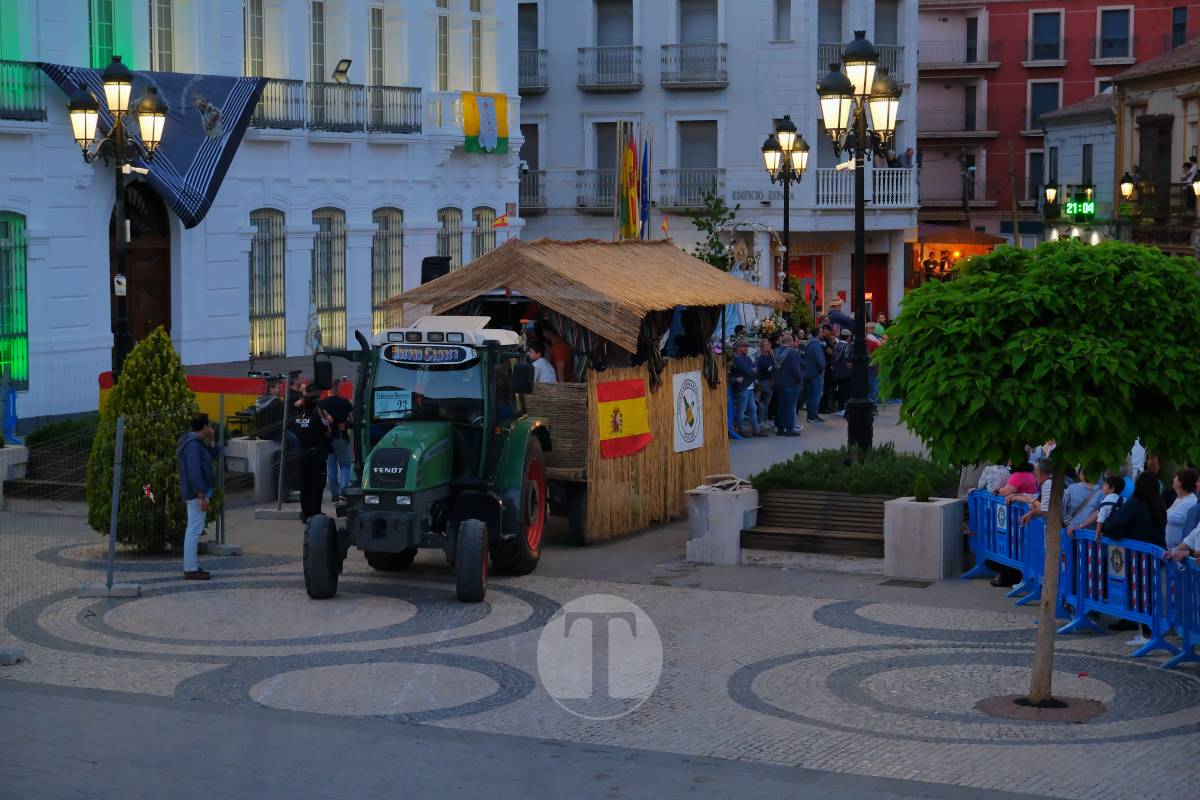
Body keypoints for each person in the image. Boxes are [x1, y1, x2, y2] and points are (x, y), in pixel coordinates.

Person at [177, 413, 220, 581]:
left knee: (194, 528)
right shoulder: (193, 446)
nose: (210, 427)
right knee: (194, 530)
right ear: (204, 426)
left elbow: (212, 455)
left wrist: (212, 439)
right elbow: (194, 473)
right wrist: (201, 495)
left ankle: (192, 566)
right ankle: (191, 568)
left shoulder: (193, 443)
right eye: (208, 425)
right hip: (196, 494)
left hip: (196, 492)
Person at [289, 390, 332, 523]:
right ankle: (315, 514)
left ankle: (306, 514)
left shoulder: (298, 419)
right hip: (316, 456)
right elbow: (328, 432)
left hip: (302, 455)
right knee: (317, 485)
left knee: (305, 485)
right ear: (315, 405)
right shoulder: (316, 419)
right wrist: (322, 417)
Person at [320, 385, 354, 503]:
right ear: (338, 388)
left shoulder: (322, 403)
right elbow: (352, 419)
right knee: (345, 465)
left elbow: (321, 421)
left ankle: (334, 495)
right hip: (341, 437)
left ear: (328, 389)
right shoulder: (345, 402)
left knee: (331, 468)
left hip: (327, 440)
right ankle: (343, 491)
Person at [730, 339, 765, 437]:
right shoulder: (738, 359)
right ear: (739, 348)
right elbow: (747, 371)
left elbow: (756, 369)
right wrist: (752, 370)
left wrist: (752, 370)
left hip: (749, 387)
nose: (746, 348)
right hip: (743, 388)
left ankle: (756, 430)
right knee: (742, 410)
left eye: (747, 346)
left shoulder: (747, 358)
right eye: (744, 346)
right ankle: (740, 430)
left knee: (753, 409)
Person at [772, 333, 804, 436]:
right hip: (791, 383)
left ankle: (781, 428)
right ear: (790, 342)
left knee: (781, 406)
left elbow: (774, 368)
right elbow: (796, 370)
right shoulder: (792, 352)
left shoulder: (777, 351)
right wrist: (800, 380)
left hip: (780, 383)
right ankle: (790, 428)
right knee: (790, 406)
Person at [1165, 468, 1199, 548]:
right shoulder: (1179, 498)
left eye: (1175, 477)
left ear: (1181, 483)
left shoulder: (1191, 502)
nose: (1173, 479)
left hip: (1179, 554)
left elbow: (1191, 528)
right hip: (1170, 551)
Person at [801, 327, 828, 423]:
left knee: (810, 395)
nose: (823, 334)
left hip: (807, 373)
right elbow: (820, 361)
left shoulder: (808, 344)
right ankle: (812, 415)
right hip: (816, 374)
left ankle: (811, 415)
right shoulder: (817, 345)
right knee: (816, 395)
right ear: (818, 334)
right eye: (821, 333)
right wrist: (822, 369)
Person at [755, 338, 776, 430]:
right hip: (764, 382)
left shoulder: (769, 356)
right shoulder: (763, 358)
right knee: (763, 402)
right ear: (762, 348)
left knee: (767, 402)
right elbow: (771, 369)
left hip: (769, 381)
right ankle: (761, 421)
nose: (769, 346)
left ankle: (765, 420)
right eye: (766, 345)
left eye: (769, 345)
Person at [831, 329, 852, 416]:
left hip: (837, 372)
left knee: (840, 390)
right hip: (845, 373)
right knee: (845, 391)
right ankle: (842, 408)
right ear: (848, 337)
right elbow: (847, 360)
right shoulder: (847, 346)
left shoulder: (837, 345)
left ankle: (840, 407)